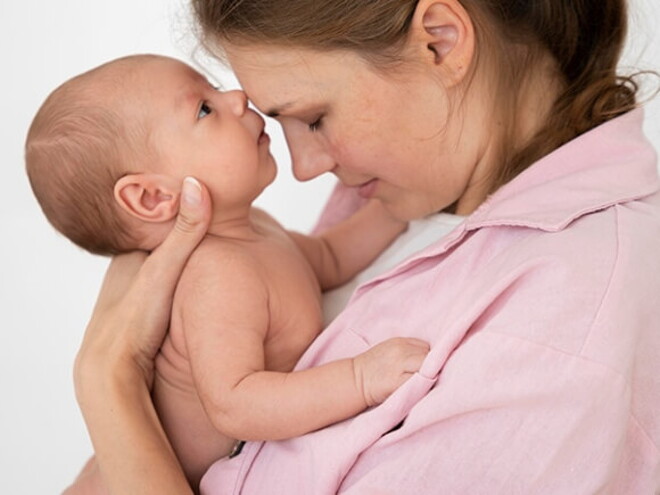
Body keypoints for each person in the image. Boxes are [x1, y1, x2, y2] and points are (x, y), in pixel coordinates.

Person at [64, 0, 660, 493]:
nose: (304, 168)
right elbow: (315, 273)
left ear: (441, 41)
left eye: (315, 118)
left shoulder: (558, 336)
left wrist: (107, 384)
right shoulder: (402, 185)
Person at [25, 54, 431, 492]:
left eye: (215, 89)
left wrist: (399, 204)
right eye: (204, 108)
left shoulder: (256, 229)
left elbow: (327, 259)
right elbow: (237, 404)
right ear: (151, 197)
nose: (237, 97)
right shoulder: (215, 276)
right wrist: (360, 379)